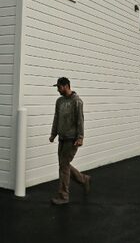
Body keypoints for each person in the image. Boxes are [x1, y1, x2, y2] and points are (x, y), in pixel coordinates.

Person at [49, 77, 91, 205]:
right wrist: (53, 134)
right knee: (64, 165)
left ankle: (63, 196)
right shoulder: (59, 101)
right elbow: (56, 118)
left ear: (66, 86)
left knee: (63, 166)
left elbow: (80, 120)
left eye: (59, 87)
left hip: (72, 140)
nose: (58, 90)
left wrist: (80, 138)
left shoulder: (77, 101)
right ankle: (84, 179)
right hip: (62, 138)